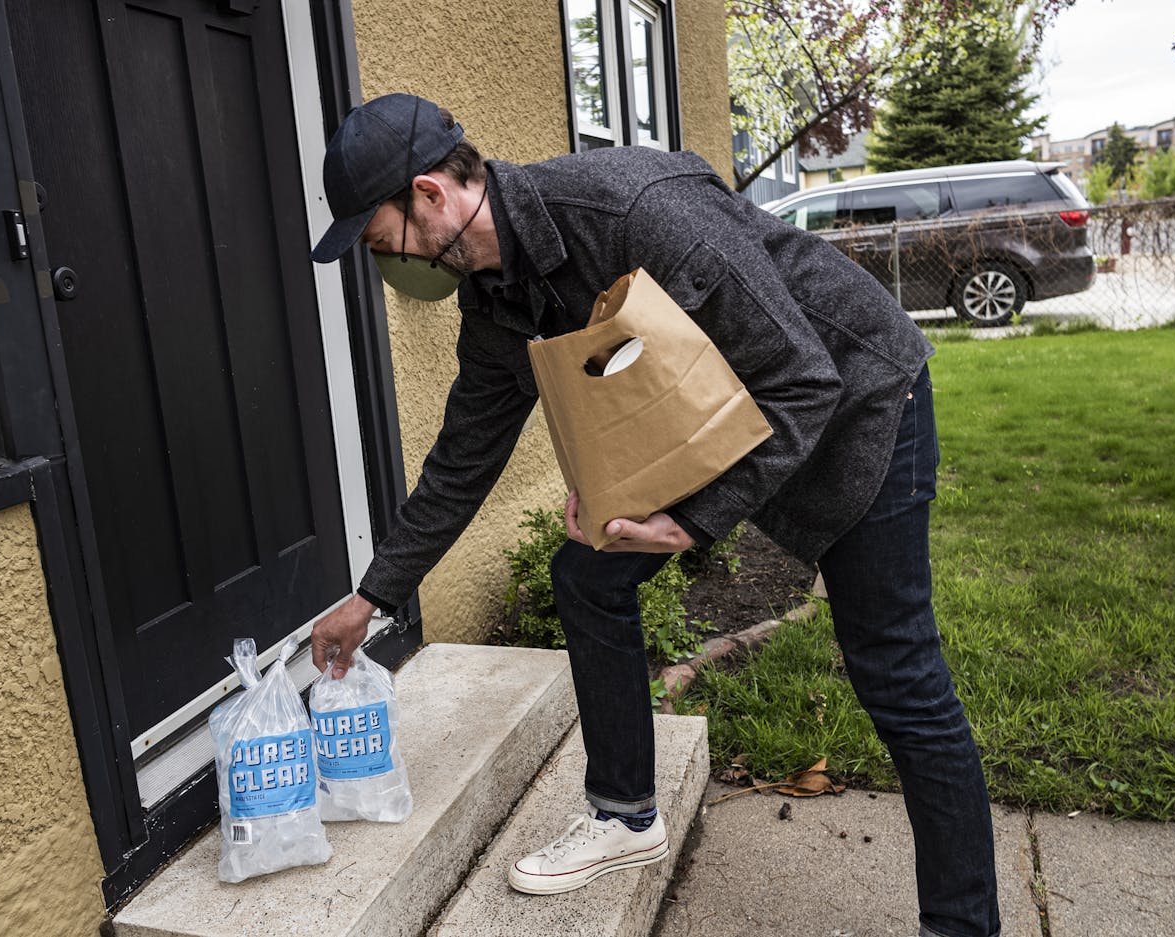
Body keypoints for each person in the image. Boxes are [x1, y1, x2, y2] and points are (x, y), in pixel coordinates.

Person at [308, 93, 1000, 937]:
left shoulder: (631, 208)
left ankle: (963, 925)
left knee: (898, 675)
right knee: (588, 571)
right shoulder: (496, 299)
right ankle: (626, 814)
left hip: (859, 400)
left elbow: (802, 377)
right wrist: (372, 596)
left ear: (430, 195)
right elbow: (462, 463)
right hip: (736, 412)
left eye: (382, 242)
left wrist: (691, 520)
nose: (386, 266)